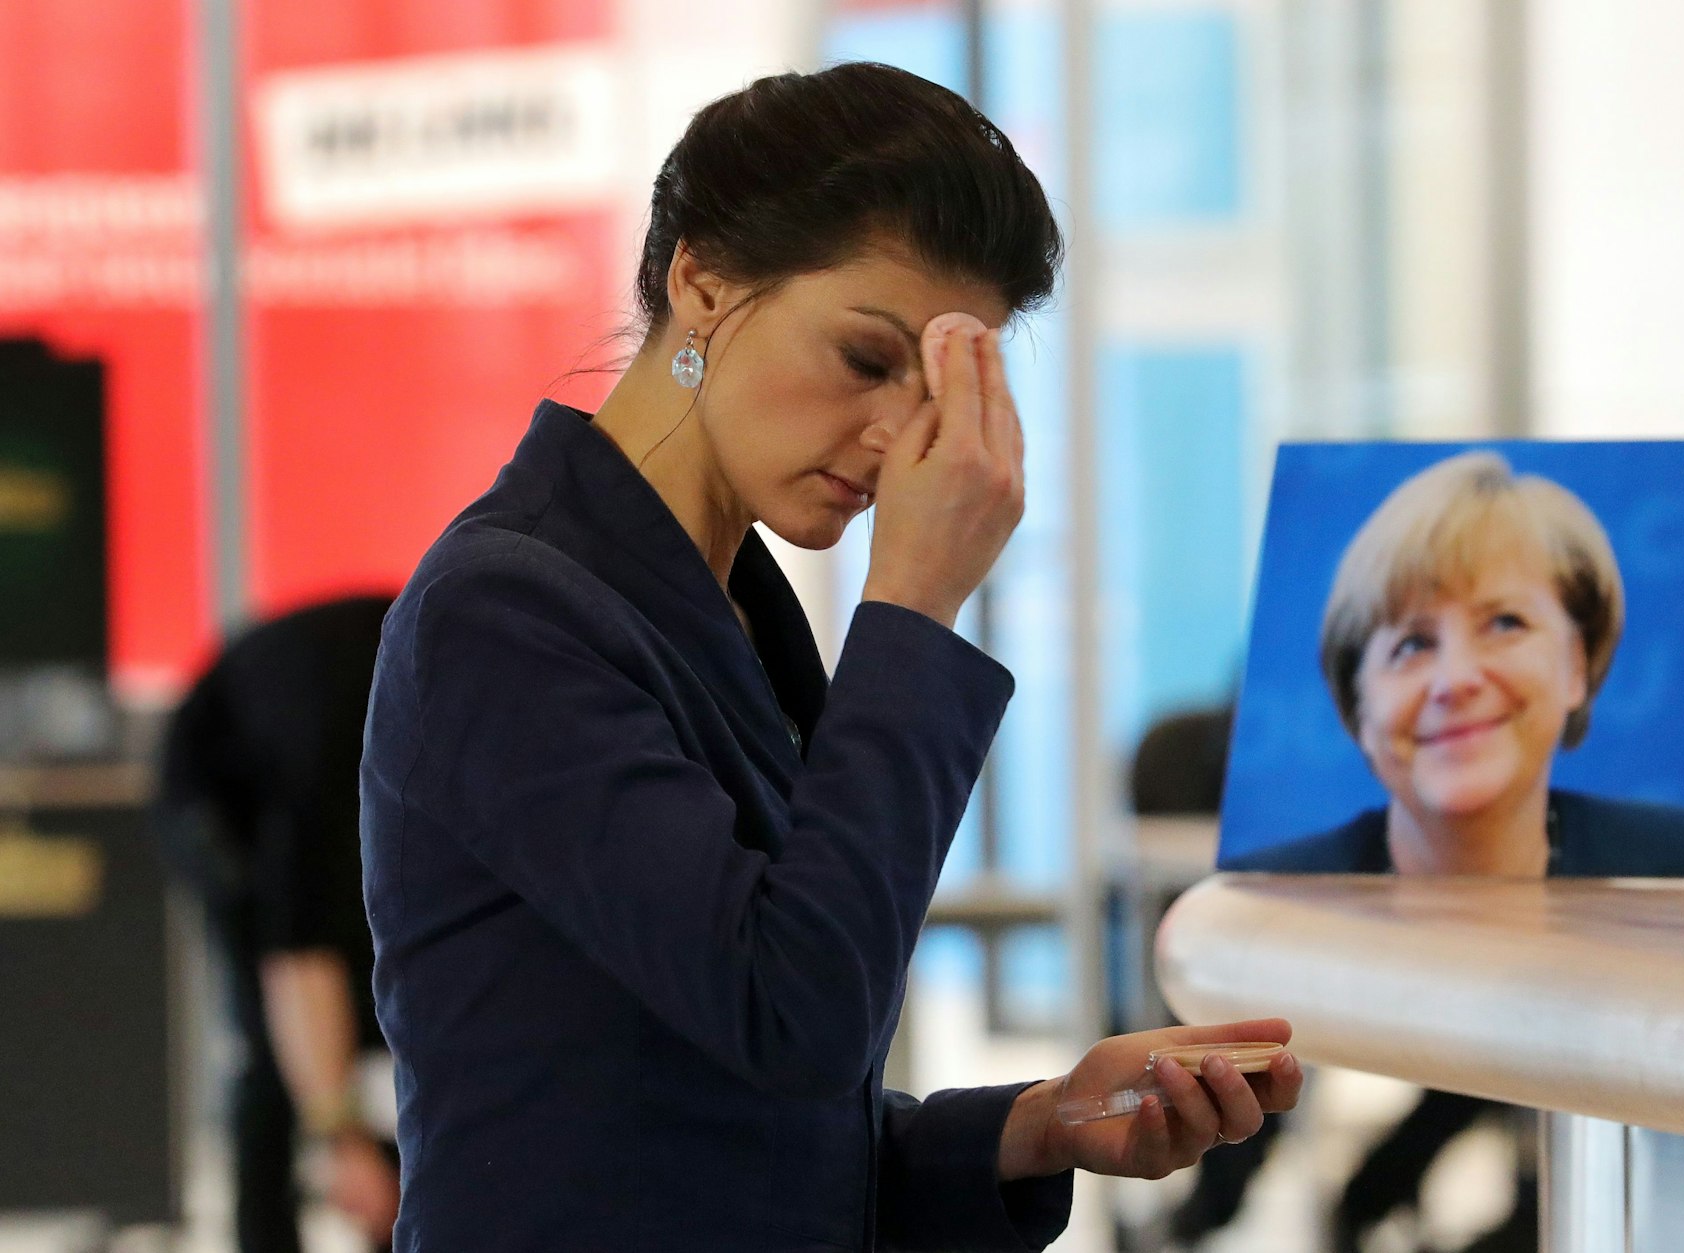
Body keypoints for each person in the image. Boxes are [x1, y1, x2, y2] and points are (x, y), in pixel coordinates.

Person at [360, 62, 1302, 1252]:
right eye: (866, 358)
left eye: (938, 389)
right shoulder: (504, 615)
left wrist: (1043, 1120)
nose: (894, 435)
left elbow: (734, 1122)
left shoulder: (724, 609)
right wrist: (914, 599)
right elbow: (791, 1014)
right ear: (699, 281)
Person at [1224, 449, 1684, 878]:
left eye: (1504, 624)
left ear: (1576, 666)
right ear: (1360, 710)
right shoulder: (1264, 912)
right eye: (1411, 645)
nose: (1455, 680)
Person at [151, 595, 400, 1253]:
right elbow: (298, 960)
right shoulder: (321, 777)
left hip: (324, 730)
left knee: (403, 1001)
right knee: (273, 1046)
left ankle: (396, 1208)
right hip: (217, 794)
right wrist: (340, 1135)